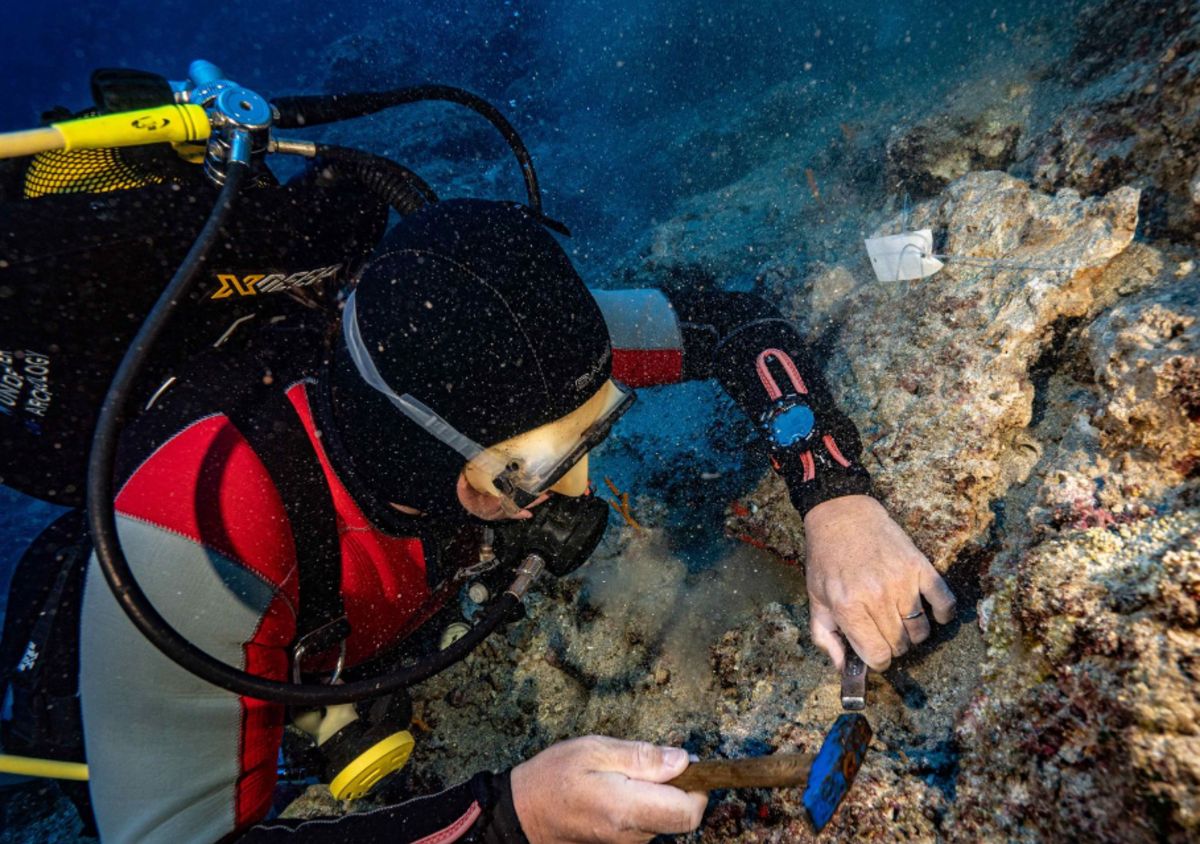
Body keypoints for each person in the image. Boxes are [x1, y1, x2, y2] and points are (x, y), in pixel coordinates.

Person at [62, 195, 956, 843]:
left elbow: (736, 323)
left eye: (599, 428)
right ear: (430, 455)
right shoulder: (192, 540)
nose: (584, 492)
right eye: (535, 473)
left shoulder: (526, 356)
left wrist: (834, 499)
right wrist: (506, 817)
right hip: (175, 665)